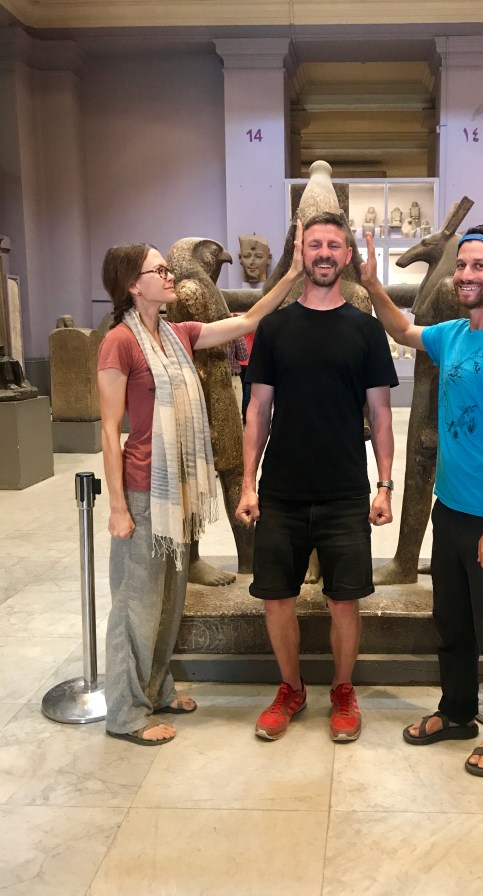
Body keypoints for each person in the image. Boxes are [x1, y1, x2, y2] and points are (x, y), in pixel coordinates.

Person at [98, 224, 303, 746]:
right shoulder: (119, 343)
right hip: (144, 490)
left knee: (169, 602)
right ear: (133, 285)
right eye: (159, 270)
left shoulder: (178, 334)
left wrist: (292, 273)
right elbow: (109, 429)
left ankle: (157, 689)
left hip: (177, 492)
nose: (169, 277)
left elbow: (249, 319)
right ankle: (126, 712)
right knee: (136, 605)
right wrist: (118, 507)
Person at [359, 223, 483, 777]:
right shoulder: (454, 334)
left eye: (479, 265)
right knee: (453, 624)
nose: (465, 274)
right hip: (452, 509)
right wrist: (372, 285)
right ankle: (458, 712)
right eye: (462, 264)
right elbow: (403, 329)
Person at [235, 211, 398, 743]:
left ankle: (343, 690)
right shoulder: (275, 328)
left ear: (347, 255)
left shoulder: (366, 329)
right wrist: (248, 484)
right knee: (276, 597)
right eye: (315, 244)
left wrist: (385, 485)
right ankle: (291, 687)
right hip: (281, 490)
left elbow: (381, 415)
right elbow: (258, 410)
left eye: (333, 244)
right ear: (301, 253)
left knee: (344, 600)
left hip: (344, 490)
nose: (324, 252)